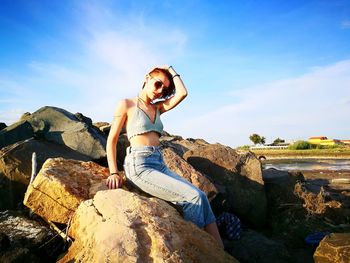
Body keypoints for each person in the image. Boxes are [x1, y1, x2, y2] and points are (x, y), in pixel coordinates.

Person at [106, 65, 223, 247]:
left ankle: (219, 251)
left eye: (165, 88)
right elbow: (111, 140)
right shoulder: (127, 104)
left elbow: (182, 93)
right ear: (147, 78)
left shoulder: (158, 107)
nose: (160, 90)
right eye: (157, 84)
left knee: (200, 195)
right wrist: (114, 172)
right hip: (139, 165)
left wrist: (170, 69)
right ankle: (195, 248)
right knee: (192, 197)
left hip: (159, 163)